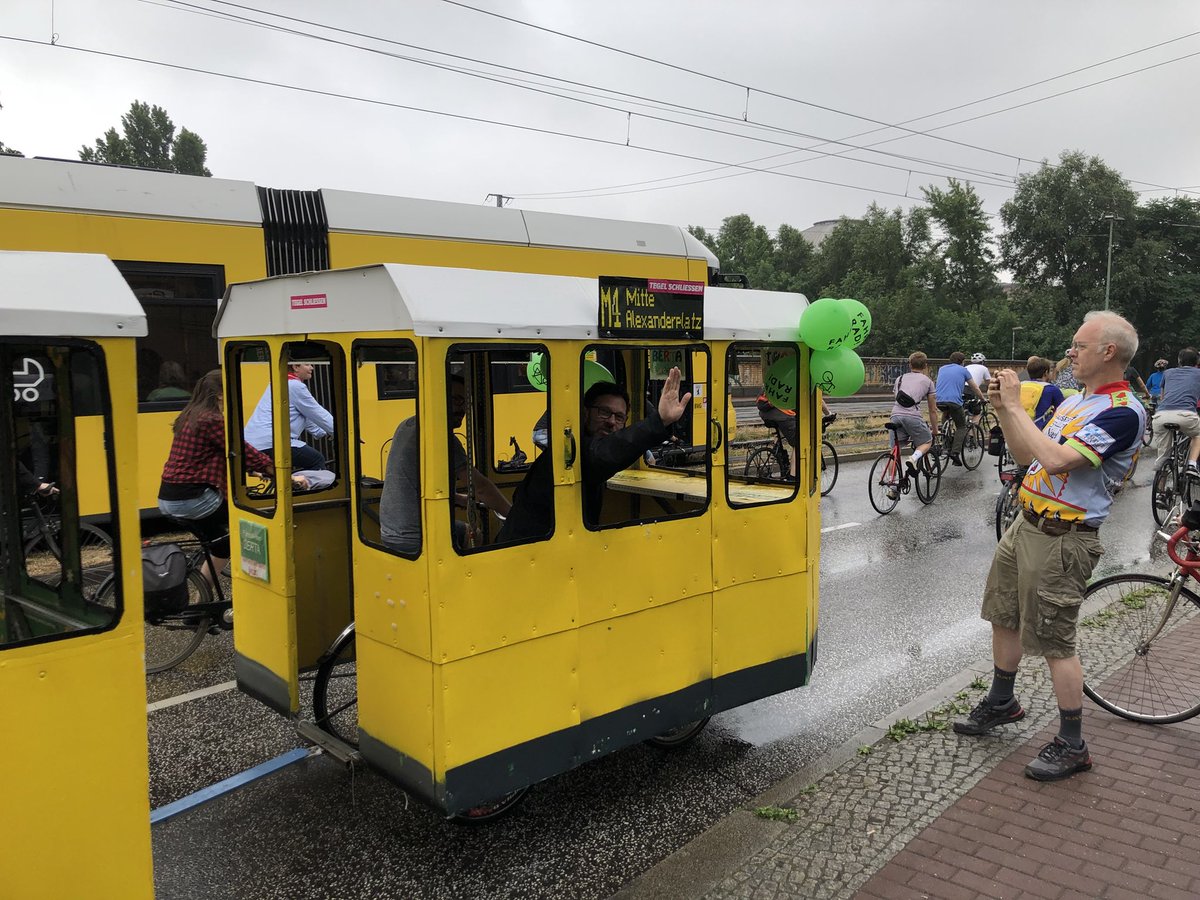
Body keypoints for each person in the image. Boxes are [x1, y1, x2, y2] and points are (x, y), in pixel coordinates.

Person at [954, 311, 1145, 781]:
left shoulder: (1123, 411)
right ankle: (1003, 701)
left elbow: (1060, 461)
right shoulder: (1075, 403)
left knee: (1056, 641)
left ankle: (1073, 743)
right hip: (1027, 523)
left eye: (1079, 345)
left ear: (1108, 352)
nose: (1070, 352)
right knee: (1004, 614)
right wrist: (1003, 409)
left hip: (1065, 538)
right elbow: (1029, 459)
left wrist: (1018, 408)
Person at [497, 366, 692, 543]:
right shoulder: (577, 451)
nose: (611, 422)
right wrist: (659, 421)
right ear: (585, 413)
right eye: (604, 413)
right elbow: (607, 453)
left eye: (619, 417)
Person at [158, 370, 305, 585]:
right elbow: (239, 449)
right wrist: (276, 470)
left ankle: (205, 585)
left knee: (217, 539)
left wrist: (252, 471)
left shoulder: (189, 415)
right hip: (193, 497)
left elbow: (214, 454)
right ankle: (204, 596)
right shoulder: (211, 419)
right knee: (252, 524)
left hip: (169, 495)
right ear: (219, 394)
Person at [379, 375, 511, 555]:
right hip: (415, 535)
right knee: (475, 536)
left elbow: (416, 484)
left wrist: (458, 498)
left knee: (465, 533)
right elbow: (480, 487)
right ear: (438, 398)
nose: (462, 408)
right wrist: (512, 516)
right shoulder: (441, 436)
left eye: (465, 402)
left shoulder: (408, 425)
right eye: (456, 400)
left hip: (391, 531)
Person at [243, 360, 334, 471]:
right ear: (296, 367)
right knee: (316, 460)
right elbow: (318, 413)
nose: (312, 368)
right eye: (307, 364)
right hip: (270, 442)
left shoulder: (280, 383)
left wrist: (323, 432)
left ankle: (296, 486)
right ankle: (302, 487)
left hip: (253, 444)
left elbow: (306, 415)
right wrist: (343, 432)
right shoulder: (294, 386)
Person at [888, 351, 939, 496]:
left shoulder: (899, 379)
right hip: (912, 416)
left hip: (895, 416)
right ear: (925, 365)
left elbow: (897, 399)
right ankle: (913, 458)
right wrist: (934, 430)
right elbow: (932, 409)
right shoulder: (928, 382)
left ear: (910, 364)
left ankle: (892, 487)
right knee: (926, 441)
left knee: (894, 451)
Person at [1151, 347, 1200, 474]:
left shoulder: (1168, 373)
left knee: (1164, 456)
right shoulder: (1198, 373)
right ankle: (1191, 465)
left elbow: (1162, 397)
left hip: (1161, 416)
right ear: (1197, 362)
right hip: (1186, 415)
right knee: (1197, 435)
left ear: (1179, 361)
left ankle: (1160, 490)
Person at [934, 352, 985, 465]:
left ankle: (945, 438)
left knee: (946, 415)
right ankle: (955, 452)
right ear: (962, 362)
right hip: (954, 402)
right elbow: (974, 387)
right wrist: (982, 398)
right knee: (961, 426)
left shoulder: (942, 368)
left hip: (939, 401)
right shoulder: (963, 370)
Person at [756, 386, 799, 478]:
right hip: (782, 415)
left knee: (781, 430)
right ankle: (793, 476)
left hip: (765, 415)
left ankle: (778, 450)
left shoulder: (771, 382)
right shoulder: (791, 383)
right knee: (798, 443)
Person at [1018, 356, 1066, 431]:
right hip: (1039, 429)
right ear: (1046, 373)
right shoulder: (1051, 389)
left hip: (1019, 426)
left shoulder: (1020, 385)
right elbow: (1063, 410)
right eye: (1050, 371)